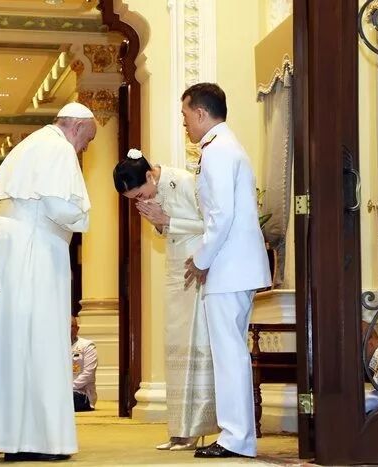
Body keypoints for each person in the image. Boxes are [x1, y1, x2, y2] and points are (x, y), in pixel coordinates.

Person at [0, 102, 96, 462]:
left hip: (13, 249)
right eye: (87, 140)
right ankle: (37, 440)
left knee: (11, 341)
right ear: (76, 127)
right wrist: (85, 214)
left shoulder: (32, 143)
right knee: (38, 338)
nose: (84, 149)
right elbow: (58, 206)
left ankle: (11, 436)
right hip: (33, 251)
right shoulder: (58, 147)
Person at [181, 83, 272, 459]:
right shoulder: (225, 145)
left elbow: (220, 215)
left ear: (201, 113)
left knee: (229, 354)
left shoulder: (218, 150)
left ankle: (235, 438)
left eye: (186, 115)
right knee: (232, 353)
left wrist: (200, 260)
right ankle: (238, 436)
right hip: (236, 265)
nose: (185, 123)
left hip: (229, 266)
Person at [113, 149, 218, 451]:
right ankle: (179, 429)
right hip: (174, 270)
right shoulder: (153, 190)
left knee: (195, 345)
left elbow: (209, 224)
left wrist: (166, 219)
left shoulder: (184, 181)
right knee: (175, 347)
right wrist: (159, 223)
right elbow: (167, 233)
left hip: (196, 268)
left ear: (149, 175)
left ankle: (195, 428)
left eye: (139, 193)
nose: (140, 199)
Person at [71, 316, 98, 412]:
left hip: (80, 393)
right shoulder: (54, 347)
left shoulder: (87, 346)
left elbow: (88, 374)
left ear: (77, 329)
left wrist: (68, 388)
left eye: (71, 326)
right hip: (59, 392)